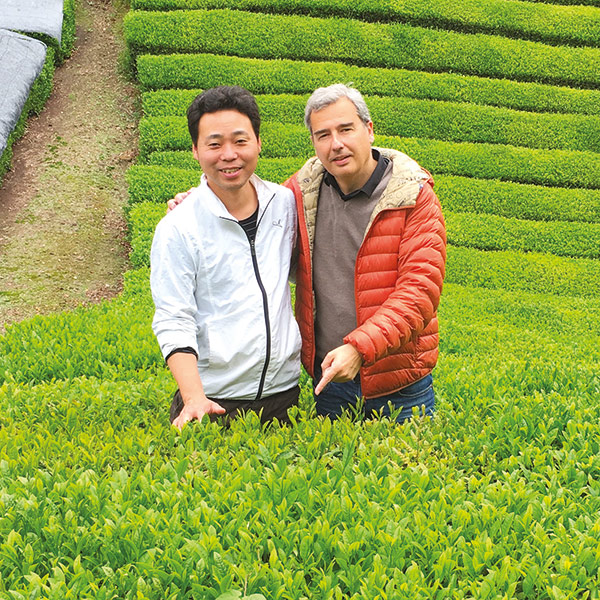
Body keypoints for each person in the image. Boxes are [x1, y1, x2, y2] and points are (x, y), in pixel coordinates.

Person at [169, 84, 446, 423]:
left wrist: (360, 349)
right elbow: (242, 200)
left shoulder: (413, 197)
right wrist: (197, 200)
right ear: (313, 143)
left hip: (399, 383)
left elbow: (419, 293)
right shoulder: (301, 193)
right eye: (323, 134)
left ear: (369, 130)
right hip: (331, 380)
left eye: (346, 129)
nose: (337, 144)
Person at [151, 85, 301, 430]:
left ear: (259, 143)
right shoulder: (178, 227)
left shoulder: (286, 205)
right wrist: (193, 399)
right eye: (214, 144)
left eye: (240, 141)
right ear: (195, 150)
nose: (229, 155)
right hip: (214, 402)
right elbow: (174, 317)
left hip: (285, 396)